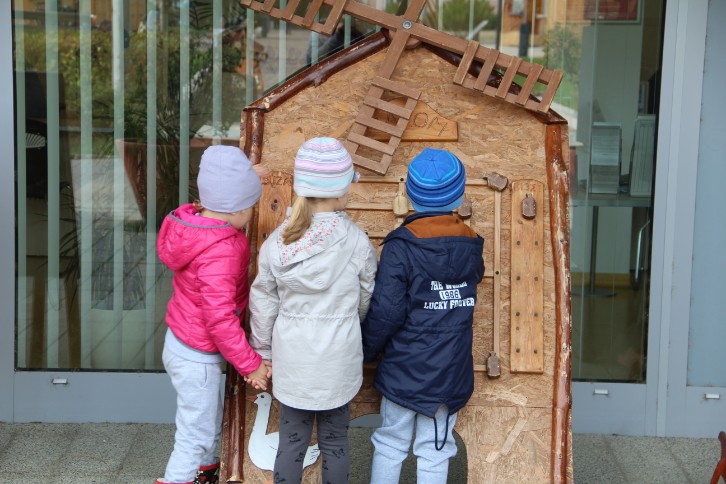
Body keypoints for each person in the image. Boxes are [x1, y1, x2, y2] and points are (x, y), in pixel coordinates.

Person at [249, 137, 378, 484]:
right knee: (335, 442)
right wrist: (351, 324)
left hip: (294, 361)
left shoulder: (277, 243)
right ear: (343, 189)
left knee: (291, 444)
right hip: (338, 359)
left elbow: (263, 302)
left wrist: (263, 351)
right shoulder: (356, 241)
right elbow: (365, 297)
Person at [362, 148, 485, 484]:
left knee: (390, 444)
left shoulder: (401, 245)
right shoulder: (472, 245)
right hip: (450, 371)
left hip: (404, 370)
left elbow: (387, 312)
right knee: (435, 449)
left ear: (411, 195)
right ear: (459, 195)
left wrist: (365, 351)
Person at [155, 145, 270, 484]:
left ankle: (205, 471)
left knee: (204, 417)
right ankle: (178, 478)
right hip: (198, 358)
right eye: (251, 205)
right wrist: (250, 364)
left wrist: (250, 178)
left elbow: (225, 188)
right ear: (239, 208)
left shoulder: (194, 224)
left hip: (181, 341)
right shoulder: (222, 250)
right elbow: (219, 319)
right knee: (195, 433)